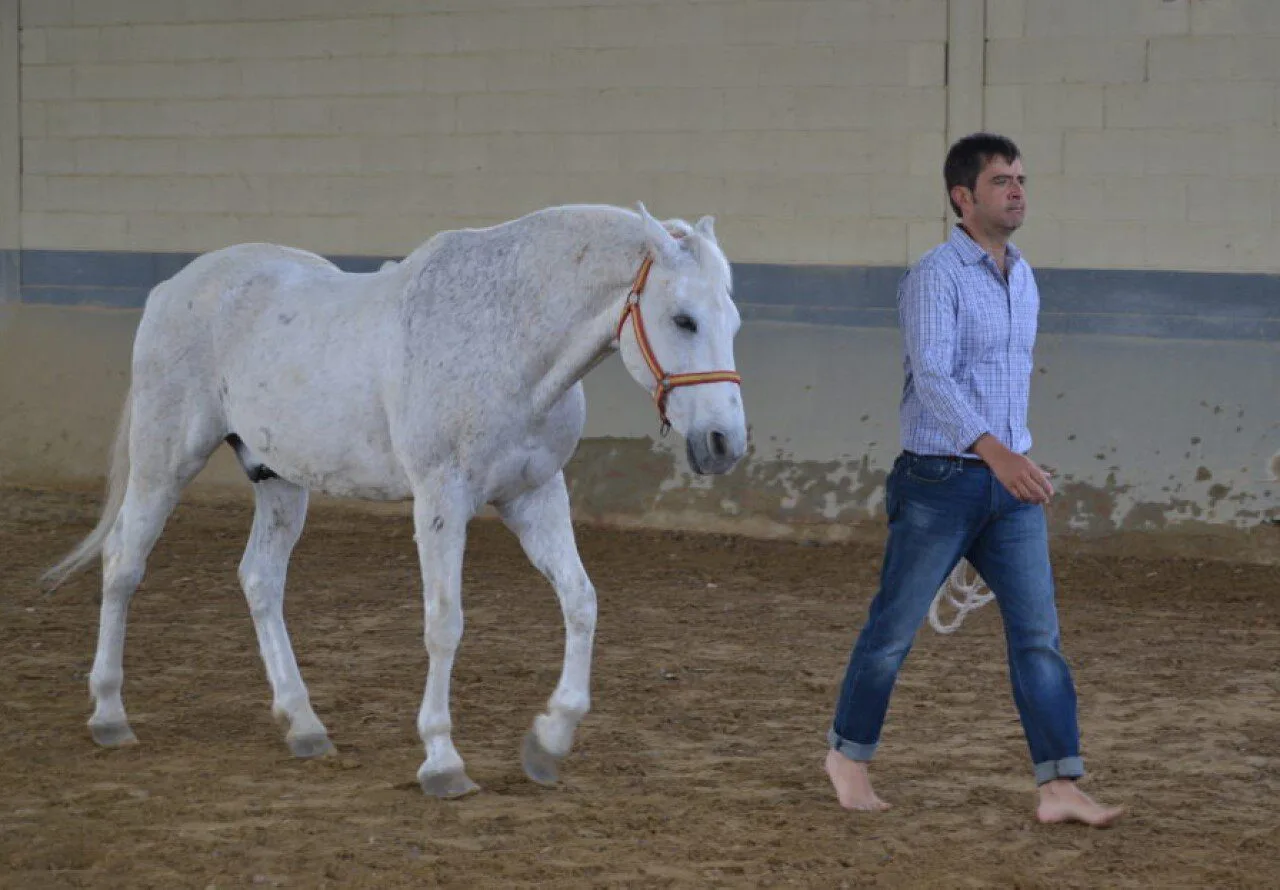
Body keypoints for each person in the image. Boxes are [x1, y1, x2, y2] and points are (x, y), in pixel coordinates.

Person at [823, 132, 1124, 827]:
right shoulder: (937, 275)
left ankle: (1059, 787)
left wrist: (1017, 452)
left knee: (1039, 637)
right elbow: (932, 378)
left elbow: (1004, 382)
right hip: (938, 482)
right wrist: (998, 454)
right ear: (963, 197)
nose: (1017, 190)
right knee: (892, 632)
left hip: (1008, 486)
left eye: (1020, 179)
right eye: (1000, 181)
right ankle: (848, 755)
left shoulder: (1023, 275)